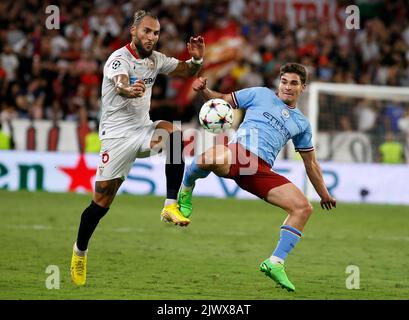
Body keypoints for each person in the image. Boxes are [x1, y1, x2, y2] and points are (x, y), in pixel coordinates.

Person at [70, 9, 205, 286]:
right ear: (134, 31)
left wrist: (197, 58)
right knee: (102, 202)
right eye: (146, 31)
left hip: (143, 130)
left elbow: (186, 70)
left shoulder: (156, 60)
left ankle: (170, 205)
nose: (151, 37)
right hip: (116, 137)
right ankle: (79, 251)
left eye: (155, 33)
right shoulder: (118, 59)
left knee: (174, 135)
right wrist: (129, 89)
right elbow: (120, 84)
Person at [177, 63, 336, 292]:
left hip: (259, 171)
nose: (287, 87)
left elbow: (310, 162)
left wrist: (324, 194)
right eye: (284, 81)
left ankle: (275, 263)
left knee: (303, 208)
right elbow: (222, 100)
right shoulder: (259, 94)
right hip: (238, 153)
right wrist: (204, 90)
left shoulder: (301, 123)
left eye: (294, 83)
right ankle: (185, 190)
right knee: (205, 159)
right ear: (278, 82)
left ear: (303, 87)